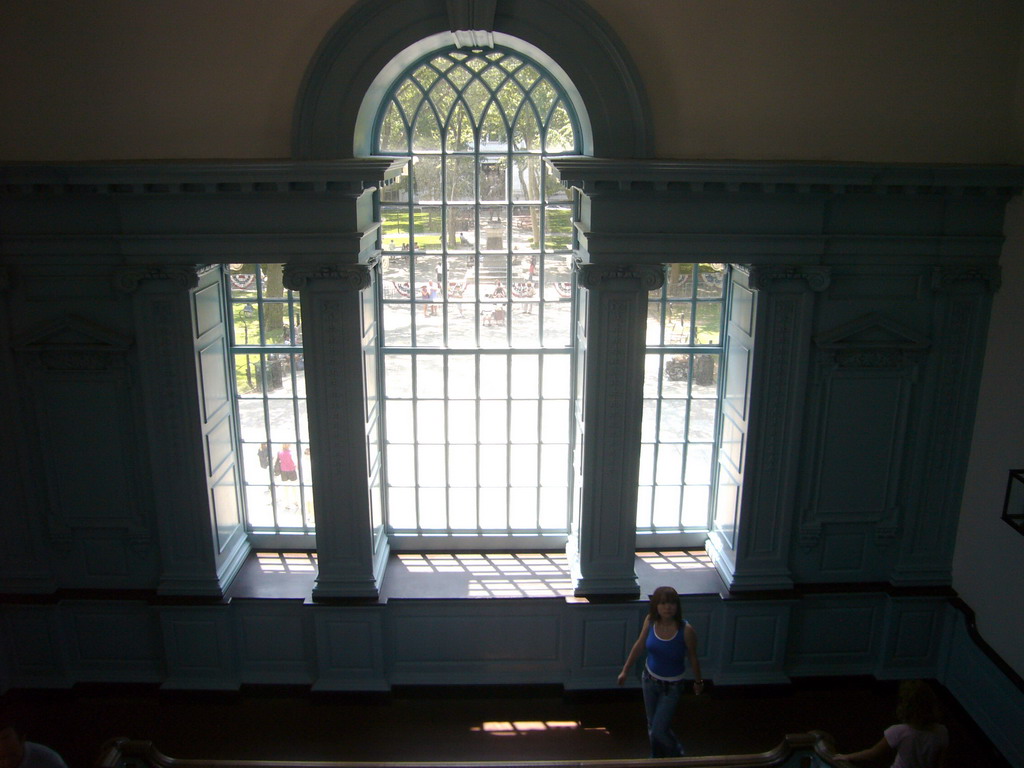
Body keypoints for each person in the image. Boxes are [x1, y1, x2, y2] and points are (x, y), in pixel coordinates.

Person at [617, 585, 704, 758]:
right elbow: (639, 645)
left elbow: (693, 657)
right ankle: (657, 758)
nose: (668, 607)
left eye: (672, 603)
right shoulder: (650, 621)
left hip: (672, 687)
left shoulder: (686, 630)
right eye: (663, 603)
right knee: (652, 725)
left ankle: (679, 756)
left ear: (677, 607)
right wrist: (625, 671)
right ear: (656, 606)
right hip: (649, 680)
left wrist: (698, 682)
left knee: (659, 729)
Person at [835, 679, 948, 768]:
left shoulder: (899, 731)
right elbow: (939, 763)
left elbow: (873, 754)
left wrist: (848, 756)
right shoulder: (942, 731)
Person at [0, 716, 67, 768]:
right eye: (1, 758)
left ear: (22, 740)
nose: (7, 763)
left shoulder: (48, 761)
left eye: (12, 756)